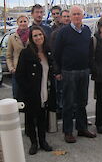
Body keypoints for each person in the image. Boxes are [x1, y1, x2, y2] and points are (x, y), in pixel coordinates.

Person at [54, 5, 96, 143]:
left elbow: (90, 50)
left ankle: (82, 128)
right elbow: (57, 53)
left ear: (83, 15)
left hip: (84, 71)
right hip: (69, 71)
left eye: (79, 14)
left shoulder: (86, 30)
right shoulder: (63, 32)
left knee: (82, 102)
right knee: (68, 103)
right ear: (70, 16)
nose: (77, 16)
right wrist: (58, 71)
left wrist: (90, 67)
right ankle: (67, 131)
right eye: (74, 14)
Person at [16, 26, 56, 155]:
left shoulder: (47, 51)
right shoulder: (26, 53)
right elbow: (19, 76)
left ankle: (43, 141)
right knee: (31, 118)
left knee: (42, 118)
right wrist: (28, 90)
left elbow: (51, 69)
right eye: (35, 36)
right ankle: (34, 143)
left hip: (45, 89)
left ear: (44, 36)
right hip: (31, 92)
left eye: (40, 35)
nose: (38, 38)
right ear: (31, 38)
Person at [49, 9, 70, 119]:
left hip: (74, 69)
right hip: (62, 69)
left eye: (68, 16)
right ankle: (62, 112)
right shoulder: (55, 34)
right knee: (61, 92)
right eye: (64, 16)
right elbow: (54, 54)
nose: (66, 18)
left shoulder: (79, 30)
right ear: (61, 18)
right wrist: (57, 71)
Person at [6, 15, 30, 99]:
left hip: (30, 69)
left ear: (28, 22)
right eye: (21, 21)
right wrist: (11, 68)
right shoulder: (12, 37)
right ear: (17, 23)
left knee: (30, 94)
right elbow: (8, 55)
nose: (23, 23)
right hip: (17, 70)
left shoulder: (33, 35)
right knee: (17, 94)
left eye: (25, 21)